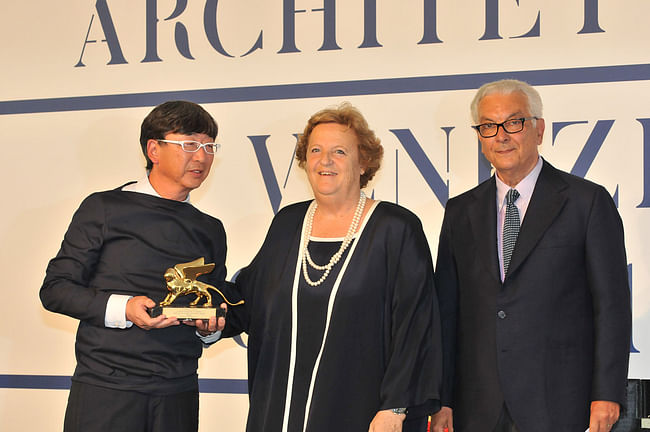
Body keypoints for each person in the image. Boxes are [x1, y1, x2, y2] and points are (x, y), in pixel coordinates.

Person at [221, 103, 442, 432]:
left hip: (363, 411)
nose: (325, 161)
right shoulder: (288, 223)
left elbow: (416, 326)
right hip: (280, 411)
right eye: (315, 150)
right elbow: (251, 302)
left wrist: (395, 407)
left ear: (363, 160)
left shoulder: (395, 229)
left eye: (339, 151)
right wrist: (207, 312)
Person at [431, 79, 631, 432]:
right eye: (489, 126)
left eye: (514, 122)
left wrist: (607, 393)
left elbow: (611, 306)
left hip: (560, 402)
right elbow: (447, 313)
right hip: (477, 407)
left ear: (539, 129)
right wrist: (443, 398)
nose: (501, 136)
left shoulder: (586, 203)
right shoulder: (459, 211)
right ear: (480, 138)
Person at [40, 100, 227, 432]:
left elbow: (215, 303)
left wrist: (207, 328)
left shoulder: (210, 229)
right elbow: (56, 290)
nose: (201, 156)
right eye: (189, 144)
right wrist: (124, 308)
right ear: (154, 149)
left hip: (178, 393)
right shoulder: (104, 208)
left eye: (209, 146)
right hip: (106, 390)